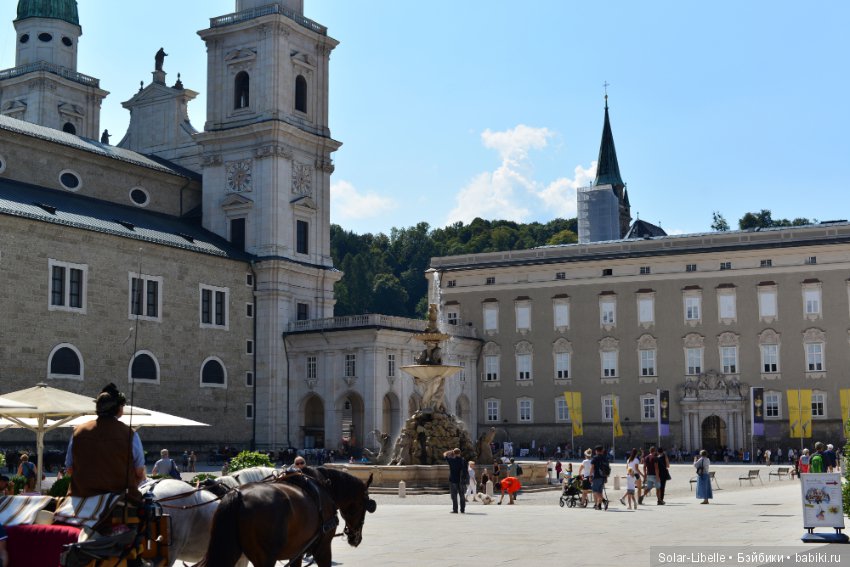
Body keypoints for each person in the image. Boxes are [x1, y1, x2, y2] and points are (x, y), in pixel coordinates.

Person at [65, 383, 146, 502]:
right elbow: (139, 471)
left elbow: (69, 469)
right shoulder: (130, 434)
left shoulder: (78, 432)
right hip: (119, 502)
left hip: (80, 500)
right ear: (118, 408)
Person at [443, 448, 467, 514]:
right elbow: (466, 470)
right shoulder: (463, 460)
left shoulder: (451, 460)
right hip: (461, 480)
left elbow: (444, 454)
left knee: (454, 496)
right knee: (462, 495)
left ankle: (455, 510)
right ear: (460, 453)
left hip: (453, 480)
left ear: (454, 453)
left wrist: (450, 451)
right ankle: (462, 509)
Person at [589, 445, 609, 510]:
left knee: (595, 491)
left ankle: (604, 501)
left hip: (597, 476)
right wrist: (606, 477)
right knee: (600, 491)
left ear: (596, 451)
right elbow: (607, 469)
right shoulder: (605, 458)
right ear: (602, 451)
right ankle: (599, 505)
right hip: (603, 477)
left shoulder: (595, 458)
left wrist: (590, 476)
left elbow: (592, 468)